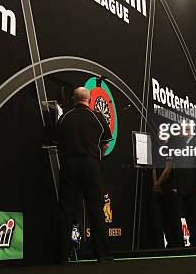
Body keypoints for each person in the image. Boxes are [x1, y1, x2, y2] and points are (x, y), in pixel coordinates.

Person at [56, 87, 114, 263]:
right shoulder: (97, 117)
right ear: (89, 100)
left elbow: (56, 142)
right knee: (96, 210)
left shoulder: (64, 117)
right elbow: (105, 144)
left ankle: (62, 255)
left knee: (66, 209)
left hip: (70, 165)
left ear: (74, 99)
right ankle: (102, 255)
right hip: (91, 165)